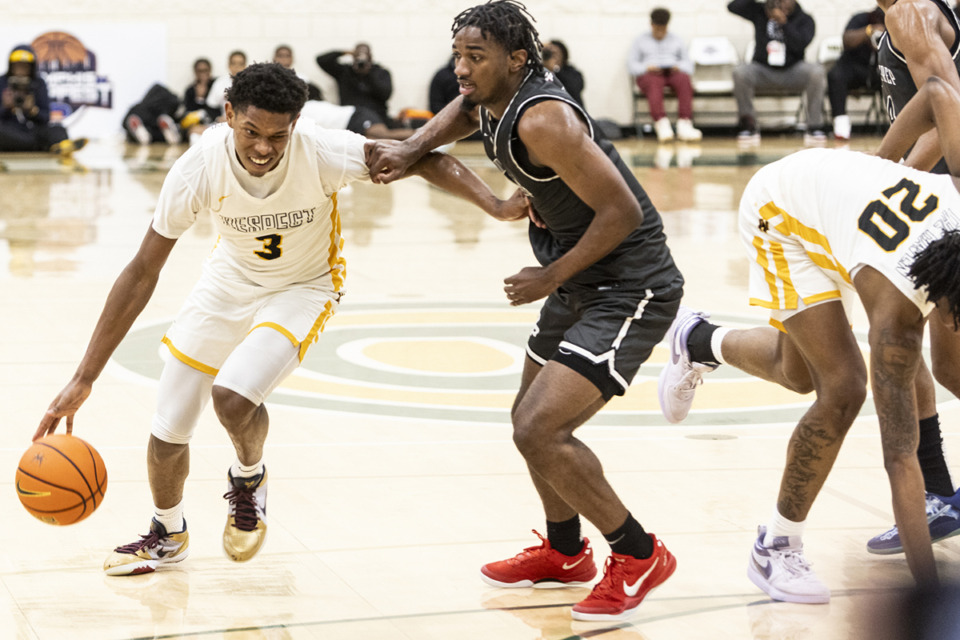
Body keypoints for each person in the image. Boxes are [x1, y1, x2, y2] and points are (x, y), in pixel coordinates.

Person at [34, 62, 528, 576]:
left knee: (232, 397)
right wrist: (84, 377)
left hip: (305, 287)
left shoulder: (321, 149)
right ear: (229, 115)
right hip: (228, 281)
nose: (264, 148)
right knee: (168, 426)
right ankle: (167, 532)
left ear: (296, 124)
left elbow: (421, 158)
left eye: (278, 135)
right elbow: (141, 271)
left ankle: (248, 477)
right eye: (251, 131)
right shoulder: (199, 166)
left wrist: (493, 204)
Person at [368, 0, 684, 622]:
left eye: (475, 57)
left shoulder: (543, 121)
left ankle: (639, 552)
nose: (461, 68)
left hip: (628, 282)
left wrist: (549, 276)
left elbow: (623, 213)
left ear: (517, 59)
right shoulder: (490, 96)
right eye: (457, 54)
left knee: (539, 428)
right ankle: (567, 554)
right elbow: (460, 115)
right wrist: (410, 149)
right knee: (527, 419)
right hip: (580, 278)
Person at [657, 75, 960, 603]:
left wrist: (883, 164)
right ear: (945, 308)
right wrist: (933, 601)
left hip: (848, 211)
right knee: (842, 389)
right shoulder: (896, 325)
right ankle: (775, 545)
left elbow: (939, 91)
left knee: (794, 372)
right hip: (783, 212)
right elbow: (900, 459)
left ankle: (698, 339)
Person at [869, 0, 960, 555]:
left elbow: (948, 102)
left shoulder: (910, 12)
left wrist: (893, 169)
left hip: (942, 197)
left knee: (906, 346)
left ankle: (938, 495)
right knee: (926, 354)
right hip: (932, 196)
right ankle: (940, 494)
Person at [728, 0, 827, 143]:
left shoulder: (805, 19)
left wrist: (784, 23)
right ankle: (748, 125)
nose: (783, 4)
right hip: (763, 70)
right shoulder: (761, 12)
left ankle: (814, 126)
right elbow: (733, 6)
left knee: (816, 72)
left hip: (793, 71)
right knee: (740, 72)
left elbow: (800, 44)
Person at [627, 7, 702, 142]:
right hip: (650, 74)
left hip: (672, 72)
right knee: (653, 82)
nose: (660, 32)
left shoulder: (677, 39)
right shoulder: (640, 41)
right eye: (657, 28)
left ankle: (684, 124)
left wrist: (677, 67)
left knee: (684, 79)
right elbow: (632, 66)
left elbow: (689, 65)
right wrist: (647, 67)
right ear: (652, 25)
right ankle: (661, 124)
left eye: (663, 28)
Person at [0, 44, 85, 155]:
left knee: (58, 129)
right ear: (11, 66)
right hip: (11, 131)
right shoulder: (2, 82)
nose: (21, 70)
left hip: (33, 130)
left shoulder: (39, 83)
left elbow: (46, 117)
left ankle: (60, 146)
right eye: (17, 66)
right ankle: (43, 145)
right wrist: (6, 107)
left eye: (24, 66)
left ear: (31, 67)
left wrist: (32, 110)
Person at [828, 8, 885, 140]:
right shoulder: (861, 18)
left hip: (880, 71)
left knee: (899, 76)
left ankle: (898, 125)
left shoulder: (896, 22)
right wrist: (869, 31)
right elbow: (846, 40)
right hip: (855, 68)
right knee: (836, 74)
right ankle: (840, 124)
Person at [316, 44, 393, 125]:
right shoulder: (344, 71)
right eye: (358, 53)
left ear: (370, 56)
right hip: (351, 117)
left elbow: (386, 94)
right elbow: (322, 60)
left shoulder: (380, 72)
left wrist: (369, 73)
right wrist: (347, 52)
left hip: (377, 116)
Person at [299, 99, 414, 140]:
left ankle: (423, 135)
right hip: (346, 131)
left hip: (355, 116)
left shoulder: (306, 107)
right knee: (373, 142)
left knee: (384, 135)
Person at [181, 57, 221, 132]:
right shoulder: (190, 90)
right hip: (197, 124)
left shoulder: (216, 85)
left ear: (210, 71)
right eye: (200, 71)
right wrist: (199, 98)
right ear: (195, 72)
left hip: (213, 122)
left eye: (205, 70)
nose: (203, 74)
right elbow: (188, 112)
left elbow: (218, 109)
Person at [543, 40, 585, 108]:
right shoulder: (540, 73)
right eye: (548, 53)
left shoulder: (572, 72)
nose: (550, 56)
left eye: (554, 53)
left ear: (563, 54)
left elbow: (574, 89)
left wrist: (555, 69)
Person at [205, 50, 247, 118]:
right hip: (225, 121)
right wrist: (218, 118)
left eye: (240, 64)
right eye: (234, 63)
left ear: (245, 66)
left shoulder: (252, 83)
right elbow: (211, 106)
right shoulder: (220, 83)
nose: (237, 67)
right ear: (229, 65)